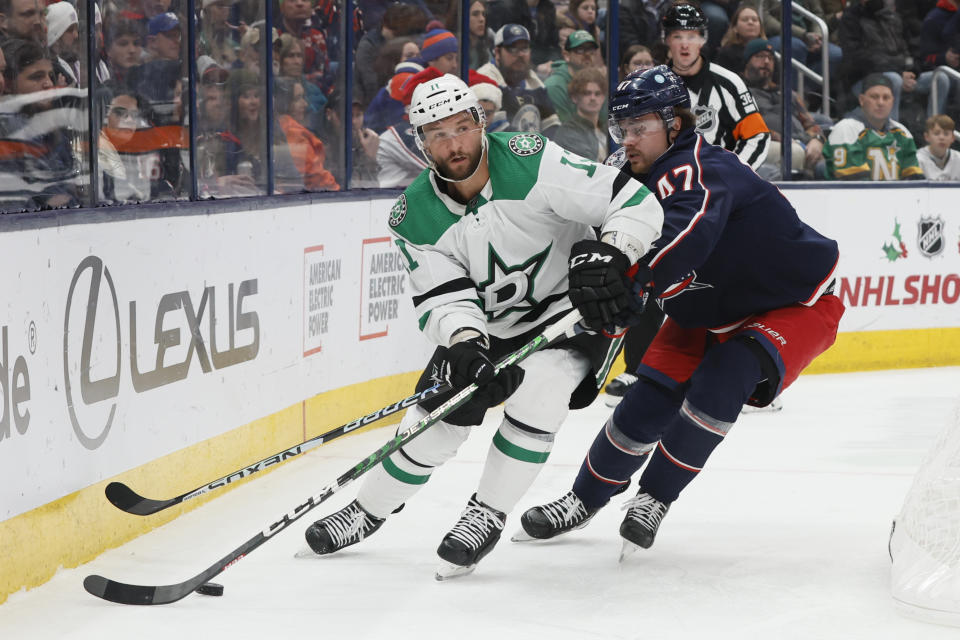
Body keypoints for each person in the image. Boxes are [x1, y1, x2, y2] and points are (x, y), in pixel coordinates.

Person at [303, 73, 664, 579]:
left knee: (543, 388)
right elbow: (445, 298)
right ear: (419, 143)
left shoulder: (531, 159)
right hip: (491, 326)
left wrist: (611, 253)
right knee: (436, 422)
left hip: (572, 312)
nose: (454, 143)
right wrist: (467, 346)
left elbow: (633, 202)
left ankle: (486, 513)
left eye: (461, 127)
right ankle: (368, 510)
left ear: (481, 121)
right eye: (437, 134)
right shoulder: (413, 218)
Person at [517, 66, 843, 559]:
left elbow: (685, 235)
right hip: (707, 308)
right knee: (647, 402)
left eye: (639, 127)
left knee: (724, 376)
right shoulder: (627, 177)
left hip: (793, 303)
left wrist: (636, 274)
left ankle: (653, 498)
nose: (628, 140)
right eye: (621, 129)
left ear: (675, 123)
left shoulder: (699, 167)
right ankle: (583, 499)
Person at [661, 3, 770, 171]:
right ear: (666, 39)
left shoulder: (729, 83)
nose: (685, 45)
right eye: (677, 36)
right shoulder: (653, 85)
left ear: (703, 39)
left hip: (718, 186)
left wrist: (733, 174)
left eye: (691, 36)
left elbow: (757, 136)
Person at [741, 38, 826, 179]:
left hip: (801, 144)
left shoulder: (789, 93)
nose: (766, 62)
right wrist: (783, 139)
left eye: (770, 58)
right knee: (794, 153)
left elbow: (811, 125)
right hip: (762, 144)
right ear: (747, 62)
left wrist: (816, 140)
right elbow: (742, 127)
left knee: (832, 161)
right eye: (760, 56)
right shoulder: (738, 91)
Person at [824, 74, 924, 181]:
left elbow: (914, 179)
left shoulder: (902, 133)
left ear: (892, 102)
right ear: (862, 100)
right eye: (874, 97)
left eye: (886, 98)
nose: (880, 103)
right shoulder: (846, 129)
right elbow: (854, 183)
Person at [477, 23, 561, 137]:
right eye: (513, 48)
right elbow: (496, 131)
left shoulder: (534, 82)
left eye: (524, 48)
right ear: (497, 53)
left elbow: (552, 126)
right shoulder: (483, 79)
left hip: (534, 150)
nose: (521, 54)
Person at [545, 30, 602, 123]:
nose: (587, 54)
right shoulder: (554, 86)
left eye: (591, 50)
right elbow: (565, 128)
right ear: (566, 55)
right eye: (580, 50)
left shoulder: (597, 81)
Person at [553, 67, 607, 162]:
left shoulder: (607, 129)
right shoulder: (568, 133)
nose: (593, 98)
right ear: (574, 97)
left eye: (597, 93)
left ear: (603, 97)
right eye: (586, 93)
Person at [714, 3, 766, 72]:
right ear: (735, 28)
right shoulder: (725, 54)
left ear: (760, 27)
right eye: (745, 20)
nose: (750, 22)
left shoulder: (768, 52)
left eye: (754, 20)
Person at [917, 114, 960, 181]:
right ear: (927, 137)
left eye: (946, 134)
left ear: (953, 138)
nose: (941, 138)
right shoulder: (917, 159)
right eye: (936, 133)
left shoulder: (958, 158)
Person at [46, 1, 80, 87]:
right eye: (70, 30)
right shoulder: (47, 69)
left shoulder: (64, 65)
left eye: (77, 29)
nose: (76, 35)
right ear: (55, 35)